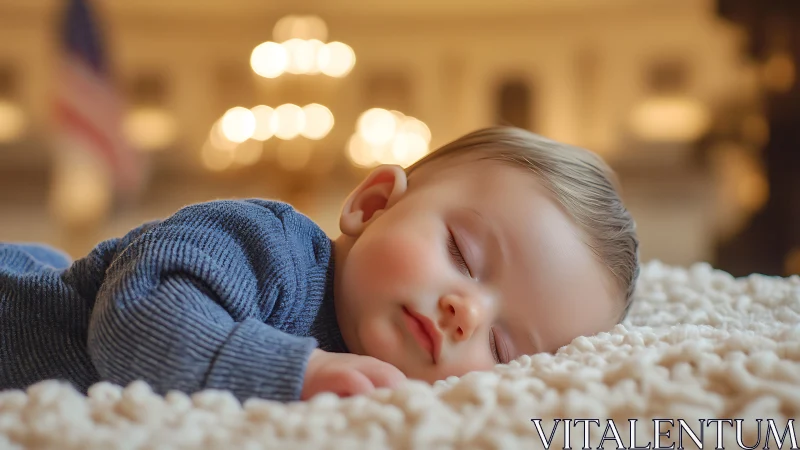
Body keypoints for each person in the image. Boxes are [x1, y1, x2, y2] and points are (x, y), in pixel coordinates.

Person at [0, 126, 639, 403]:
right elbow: (136, 322)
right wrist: (295, 370)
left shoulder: (389, 397)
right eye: (462, 257)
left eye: (501, 346)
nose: (465, 311)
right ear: (371, 203)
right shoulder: (266, 244)